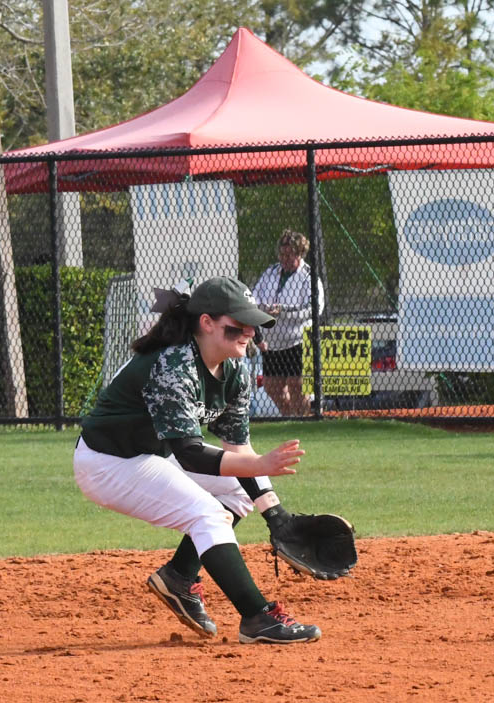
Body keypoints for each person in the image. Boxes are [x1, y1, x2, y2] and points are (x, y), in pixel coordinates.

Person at [74, 276, 322, 644]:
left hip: (154, 453)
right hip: (108, 462)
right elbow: (191, 454)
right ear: (206, 322)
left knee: (238, 492)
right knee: (207, 513)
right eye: (238, 324)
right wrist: (258, 467)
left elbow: (238, 450)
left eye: (252, 325)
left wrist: (276, 515)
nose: (249, 332)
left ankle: (179, 577)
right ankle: (257, 618)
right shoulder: (174, 366)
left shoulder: (234, 372)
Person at [251, 229, 324, 416]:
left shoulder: (308, 276)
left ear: (300, 254)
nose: (284, 258)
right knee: (271, 386)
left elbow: (313, 308)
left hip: (297, 341)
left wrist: (283, 311)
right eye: (282, 254)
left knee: (296, 385)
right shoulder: (270, 272)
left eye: (289, 254)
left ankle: (304, 419)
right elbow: (253, 298)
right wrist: (262, 308)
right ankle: (289, 416)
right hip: (272, 342)